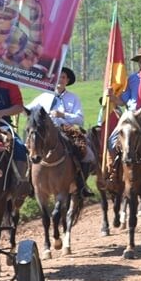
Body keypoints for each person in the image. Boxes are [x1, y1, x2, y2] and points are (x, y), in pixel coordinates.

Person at [27, 67, 93, 198]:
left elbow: (80, 119)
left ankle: (81, 184)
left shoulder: (73, 98)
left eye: (63, 77)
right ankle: (30, 185)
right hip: (44, 133)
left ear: (67, 80)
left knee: (87, 154)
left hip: (66, 131)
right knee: (28, 151)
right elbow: (28, 110)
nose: (60, 80)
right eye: (58, 77)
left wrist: (62, 114)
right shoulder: (44, 96)